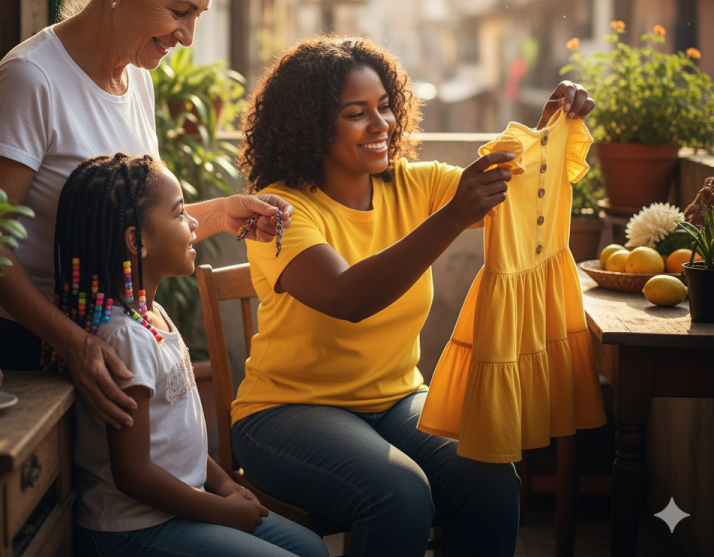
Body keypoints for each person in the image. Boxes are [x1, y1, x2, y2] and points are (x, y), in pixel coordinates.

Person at [232, 36, 595, 557]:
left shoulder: (412, 184)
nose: (381, 124)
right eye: (357, 113)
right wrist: (451, 217)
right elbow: (347, 297)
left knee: (490, 476)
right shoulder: (278, 212)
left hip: (396, 401)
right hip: (286, 414)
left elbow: (510, 187)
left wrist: (547, 129)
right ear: (311, 124)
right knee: (399, 493)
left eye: (384, 107)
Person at [0, 0, 292, 431]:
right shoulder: (30, 80)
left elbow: (125, 222)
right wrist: (72, 343)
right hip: (25, 353)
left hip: (106, 344)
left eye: (198, 15)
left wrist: (222, 214)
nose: (187, 35)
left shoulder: (137, 76)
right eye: (179, 11)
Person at [52, 153, 327, 557]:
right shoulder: (124, 338)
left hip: (181, 507)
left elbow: (181, 441)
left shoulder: (153, 315)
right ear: (136, 240)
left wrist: (227, 485)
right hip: (134, 527)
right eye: (180, 213)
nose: (195, 223)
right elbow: (133, 475)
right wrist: (223, 511)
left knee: (312, 548)